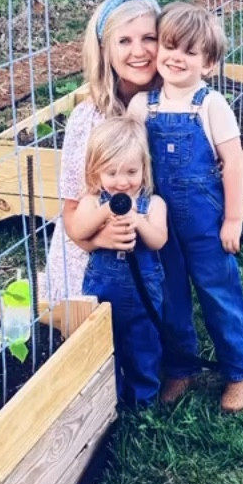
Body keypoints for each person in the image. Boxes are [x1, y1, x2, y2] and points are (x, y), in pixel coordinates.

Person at [128, 2, 243, 413]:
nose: (176, 57)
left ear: (209, 63)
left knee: (218, 291)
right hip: (158, 222)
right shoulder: (141, 106)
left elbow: (233, 163)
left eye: (189, 51)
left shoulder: (210, 105)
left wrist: (233, 218)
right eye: (169, 46)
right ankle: (181, 367)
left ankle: (240, 370)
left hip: (205, 221)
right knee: (170, 297)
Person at [43, 0, 161, 308]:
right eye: (124, 41)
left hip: (155, 247)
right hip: (93, 259)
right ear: (104, 51)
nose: (139, 51)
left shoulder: (177, 108)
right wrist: (97, 239)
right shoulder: (88, 119)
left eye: (148, 38)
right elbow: (70, 209)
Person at [69, 117, 167, 408]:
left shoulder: (154, 204)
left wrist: (138, 220)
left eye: (131, 171)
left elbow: (158, 240)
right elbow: (79, 230)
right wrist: (106, 212)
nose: (122, 181)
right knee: (103, 342)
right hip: (103, 286)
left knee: (143, 343)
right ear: (96, 174)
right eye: (111, 173)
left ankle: (143, 402)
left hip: (144, 290)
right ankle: (108, 399)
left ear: (144, 169)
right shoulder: (92, 201)